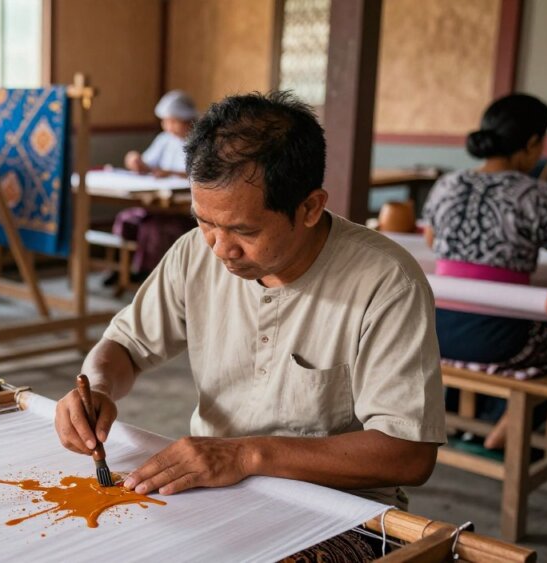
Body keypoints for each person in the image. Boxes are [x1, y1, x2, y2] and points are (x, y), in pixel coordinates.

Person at [56, 92, 445, 560]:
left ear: (309, 208)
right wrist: (97, 387)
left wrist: (245, 455)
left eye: (244, 231)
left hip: (340, 510)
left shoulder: (385, 281)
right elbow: (126, 345)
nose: (220, 249)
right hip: (214, 486)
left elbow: (408, 453)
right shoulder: (193, 254)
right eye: (205, 223)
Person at [423, 93, 547, 449]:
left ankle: (493, 422)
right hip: (503, 342)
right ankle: (515, 424)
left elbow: (433, 241)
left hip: (436, 332)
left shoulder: (447, 185)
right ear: (531, 143)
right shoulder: (537, 194)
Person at [109, 91, 199, 284]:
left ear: (188, 120)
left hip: (183, 209)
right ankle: (120, 270)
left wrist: (169, 173)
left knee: (155, 228)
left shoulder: (201, 142)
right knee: (126, 220)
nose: (169, 126)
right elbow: (148, 164)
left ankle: (149, 276)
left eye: (174, 121)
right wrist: (136, 161)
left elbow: (202, 174)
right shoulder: (164, 139)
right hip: (157, 203)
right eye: (166, 121)